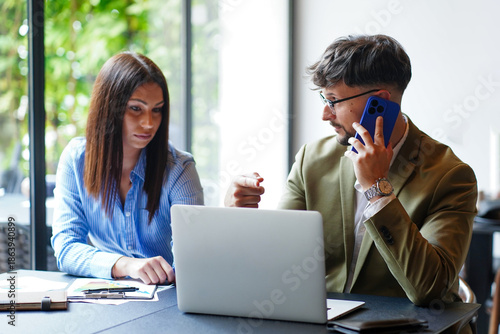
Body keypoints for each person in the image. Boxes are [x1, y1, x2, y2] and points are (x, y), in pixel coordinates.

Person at [225, 35, 477, 311]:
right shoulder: (313, 159)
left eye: (333, 100)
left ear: (379, 101)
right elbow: (278, 260)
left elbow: (431, 289)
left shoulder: (451, 176)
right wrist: (236, 217)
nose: (325, 114)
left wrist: (377, 190)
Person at [51, 52, 204, 285]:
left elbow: (195, 256)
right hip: (106, 298)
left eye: (157, 109)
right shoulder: (76, 160)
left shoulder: (179, 170)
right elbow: (66, 248)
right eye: (136, 108)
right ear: (108, 108)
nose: (149, 123)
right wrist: (125, 265)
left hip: (166, 301)